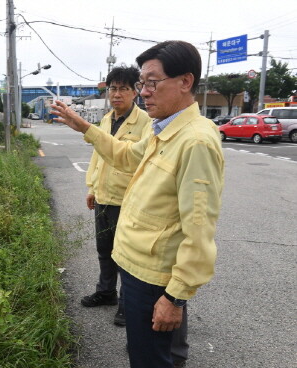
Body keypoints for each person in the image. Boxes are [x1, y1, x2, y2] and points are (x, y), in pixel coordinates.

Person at [52, 40, 224, 368]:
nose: (144, 91)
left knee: (150, 359)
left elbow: (199, 231)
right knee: (160, 353)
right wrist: (85, 127)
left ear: (185, 82)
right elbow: (127, 156)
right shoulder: (163, 131)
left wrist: (175, 297)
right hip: (134, 266)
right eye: (142, 83)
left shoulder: (195, 142)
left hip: (154, 277)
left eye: (152, 82)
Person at [81, 65, 151, 330]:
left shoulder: (145, 121)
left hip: (127, 199)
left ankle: (126, 304)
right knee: (104, 250)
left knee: (126, 256)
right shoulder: (107, 119)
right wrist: (92, 188)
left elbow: (140, 160)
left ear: (136, 91)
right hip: (103, 196)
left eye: (123, 88)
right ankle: (106, 291)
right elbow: (98, 155)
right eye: (113, 88)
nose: (117, 94)